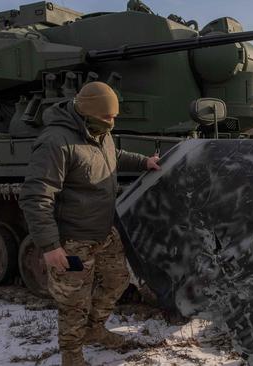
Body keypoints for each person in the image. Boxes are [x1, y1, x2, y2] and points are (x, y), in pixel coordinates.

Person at [18, 82, 160, 366]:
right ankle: (72, 357)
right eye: (108, 117)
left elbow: (112, 157)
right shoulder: (55, 142)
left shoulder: (100, 133)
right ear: (88, 113)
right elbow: (36, 196)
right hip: (72, 241)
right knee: (73, 302)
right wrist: (49, 246)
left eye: (114, 117)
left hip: (103, 232)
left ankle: (94, 329)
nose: (112, 121)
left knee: (117, 280)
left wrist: (144, 162)